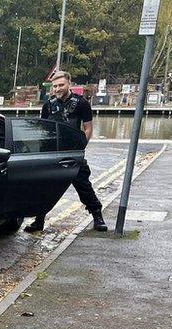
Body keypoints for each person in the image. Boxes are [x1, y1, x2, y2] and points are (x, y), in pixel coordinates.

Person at [25, 71, 108, 232]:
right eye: (55, 86)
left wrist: (80, 148)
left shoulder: (81, 103)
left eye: (61, 85)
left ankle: (97, 216)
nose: (57, 89)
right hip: (51, 154)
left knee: (84, 186)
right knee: (43, 188)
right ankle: (39, 220)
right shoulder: (48, 105)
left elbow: (88, 128)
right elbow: (43, 129)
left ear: (69, 84)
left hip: (72, 154)